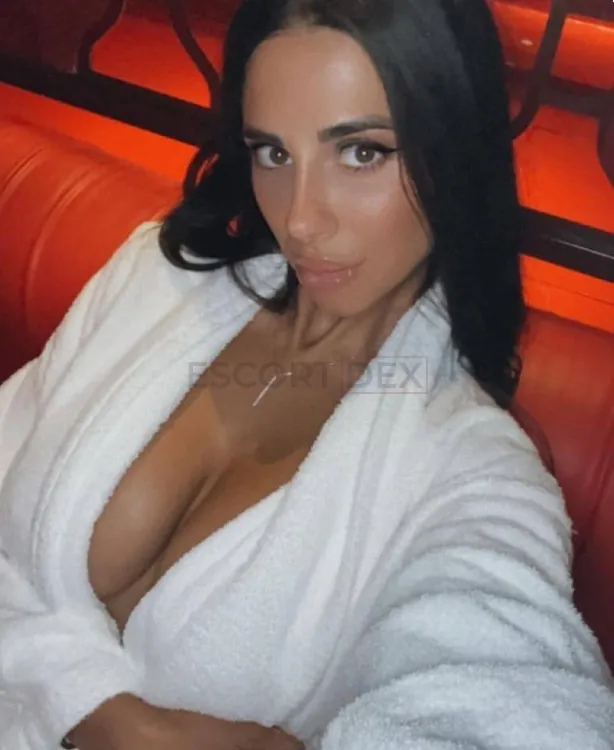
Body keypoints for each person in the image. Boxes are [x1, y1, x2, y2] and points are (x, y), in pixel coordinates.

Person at [1, 0, 613, 748]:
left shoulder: (474, 471)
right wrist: (113, 718)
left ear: (455, 151)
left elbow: (504, 694)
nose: (299, 220)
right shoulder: (155, 278)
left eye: (360, 153)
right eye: (273, 153)